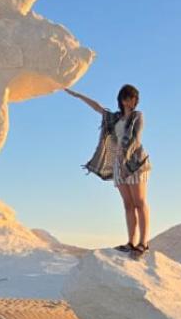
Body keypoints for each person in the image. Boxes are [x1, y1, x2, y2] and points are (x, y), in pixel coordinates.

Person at [65, 84, 152, 256]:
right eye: (127, 98)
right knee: (128, 205)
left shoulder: (137, 116)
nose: (130, 101)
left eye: (133, 98)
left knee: (139, 202)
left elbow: (135, 139)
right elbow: (98, 108)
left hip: (135, 163)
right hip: (118, 165)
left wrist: (124, 157)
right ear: (121, 100)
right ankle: (131, 242)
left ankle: (143, 243)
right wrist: (78, 95)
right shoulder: (115, 118)